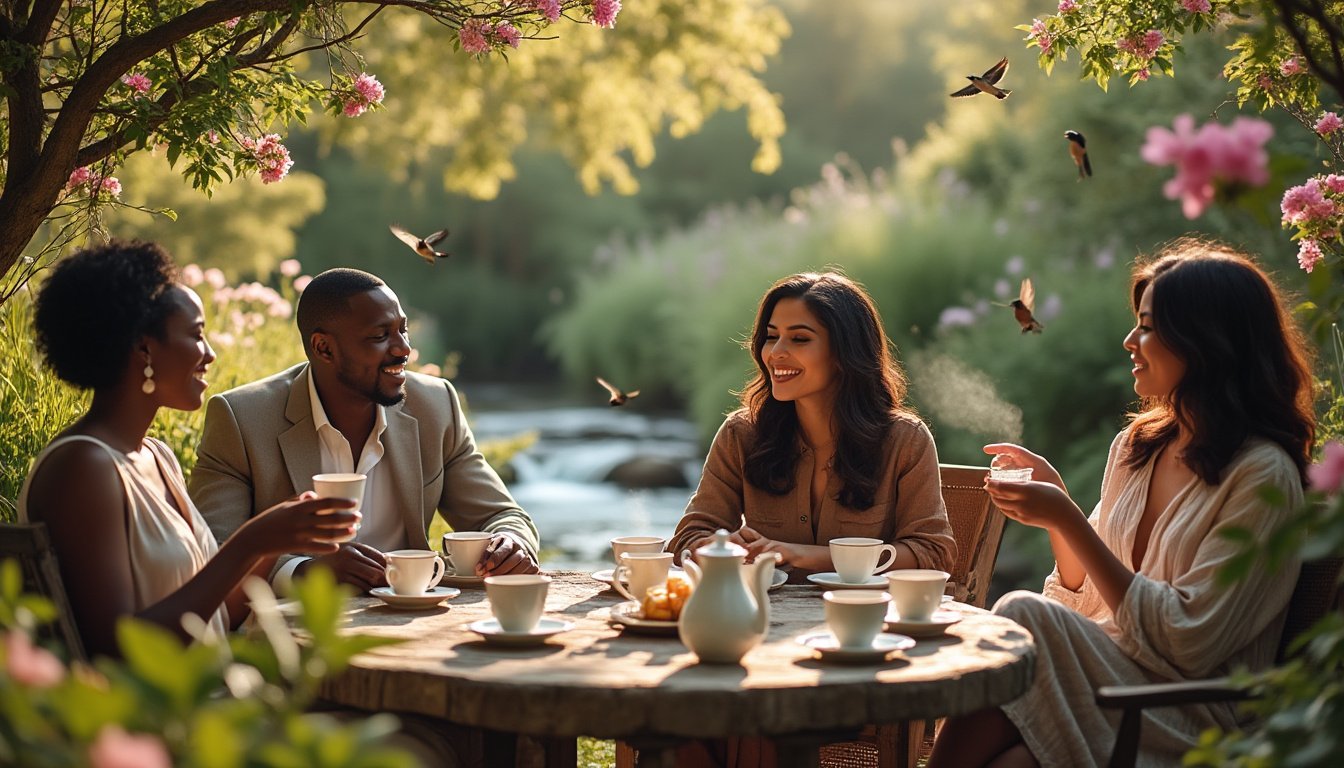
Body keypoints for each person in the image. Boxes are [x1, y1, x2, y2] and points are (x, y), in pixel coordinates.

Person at [929, 239, 1316, 768]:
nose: (1131, 340)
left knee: (1021, 614)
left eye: (1150, 326)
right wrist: (1058, 509)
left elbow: (1190, 645)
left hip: (1188, 716)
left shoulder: (1261, 475)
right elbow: (1087, 597)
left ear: (1208, 341)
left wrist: (1065, 515)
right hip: (1108, 687)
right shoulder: (1139, 448)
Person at [19, 241, 360, 658]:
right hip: (152, 717)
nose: (210, 354)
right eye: (197, 334)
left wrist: (272, 542)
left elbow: (215, 621)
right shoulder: (83, 467)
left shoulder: (157, 457)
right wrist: (249, 542)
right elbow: (115, 650)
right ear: (144, 347)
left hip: (205, 693)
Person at [189, 268, 539, 594]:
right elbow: (213, 550)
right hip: (294, 634)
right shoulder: (241, 419)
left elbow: (500, 515)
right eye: (379, 336)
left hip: (414, 618)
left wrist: (510, 542)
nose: (403, 349)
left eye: (403, 330)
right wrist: (307, 571)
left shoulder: (435, 405)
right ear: (323, 348)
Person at [668, 270, 956, 582]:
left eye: (800, 339)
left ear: (845, 353)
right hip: (764, 619)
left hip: (869, 620)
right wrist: (718, 547)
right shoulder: (741, 435)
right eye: (771, 336)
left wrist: (805, 555)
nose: (776, 353)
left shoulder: (905, 441)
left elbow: (933, 553)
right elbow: (685, 543)